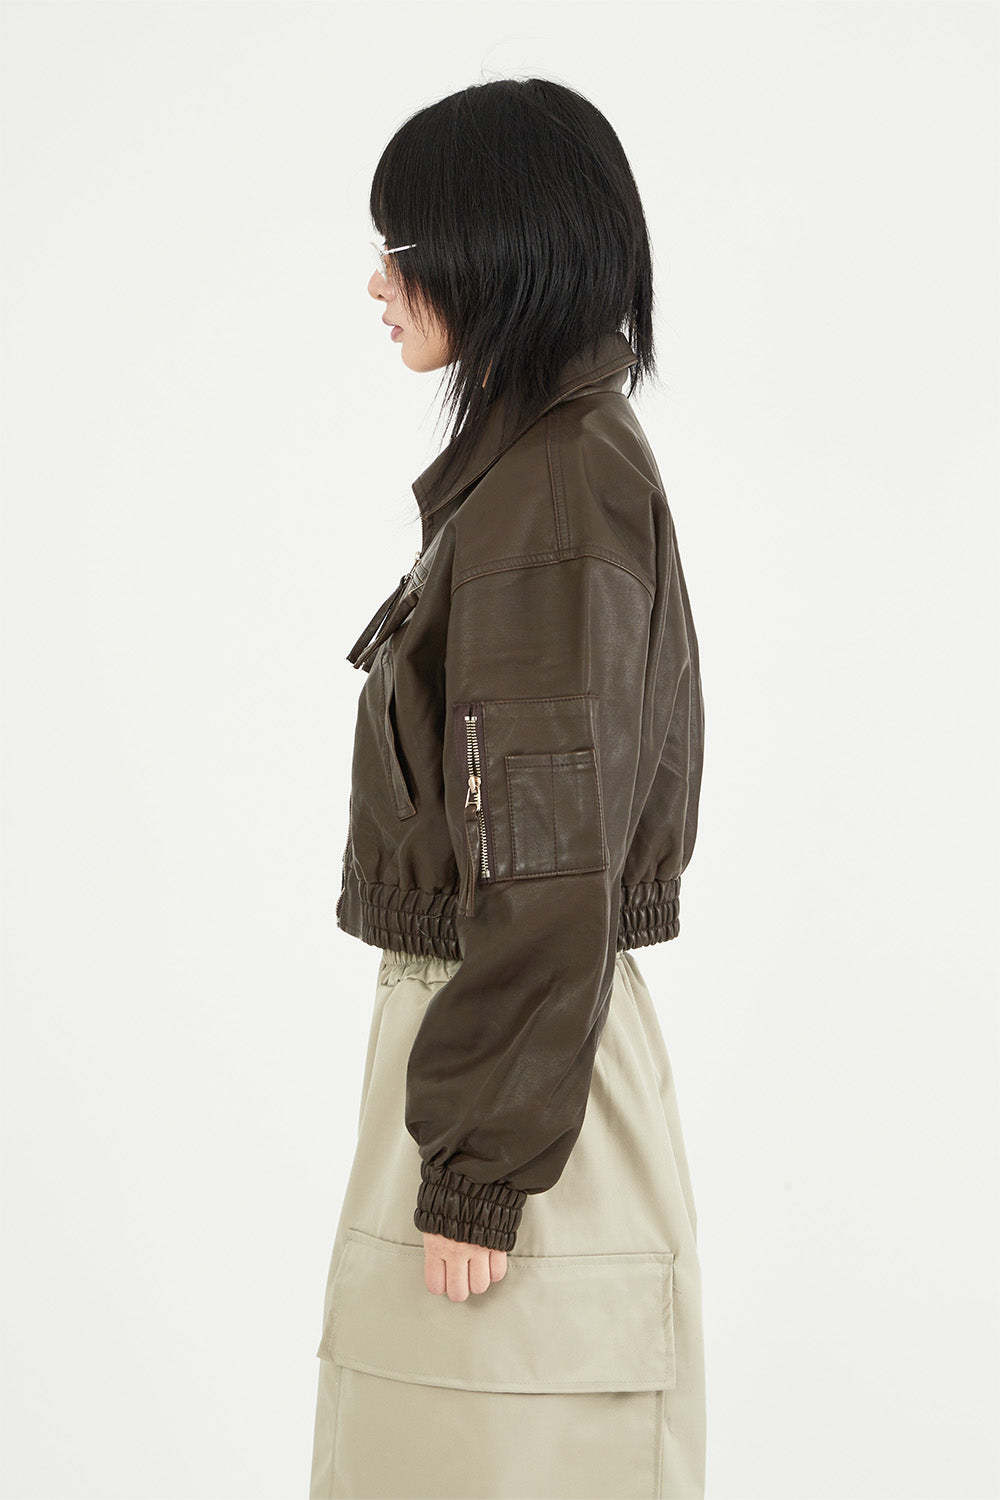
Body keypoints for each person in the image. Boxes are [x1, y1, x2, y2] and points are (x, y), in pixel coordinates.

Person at [309, 76, 707, 1500]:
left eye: (402, 245)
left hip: (516, 1090)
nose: (378, 281)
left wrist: (477, 1164)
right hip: (511, 1061)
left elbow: (548, 857)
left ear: (499, 249)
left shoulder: (551, 491)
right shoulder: (544, 468)